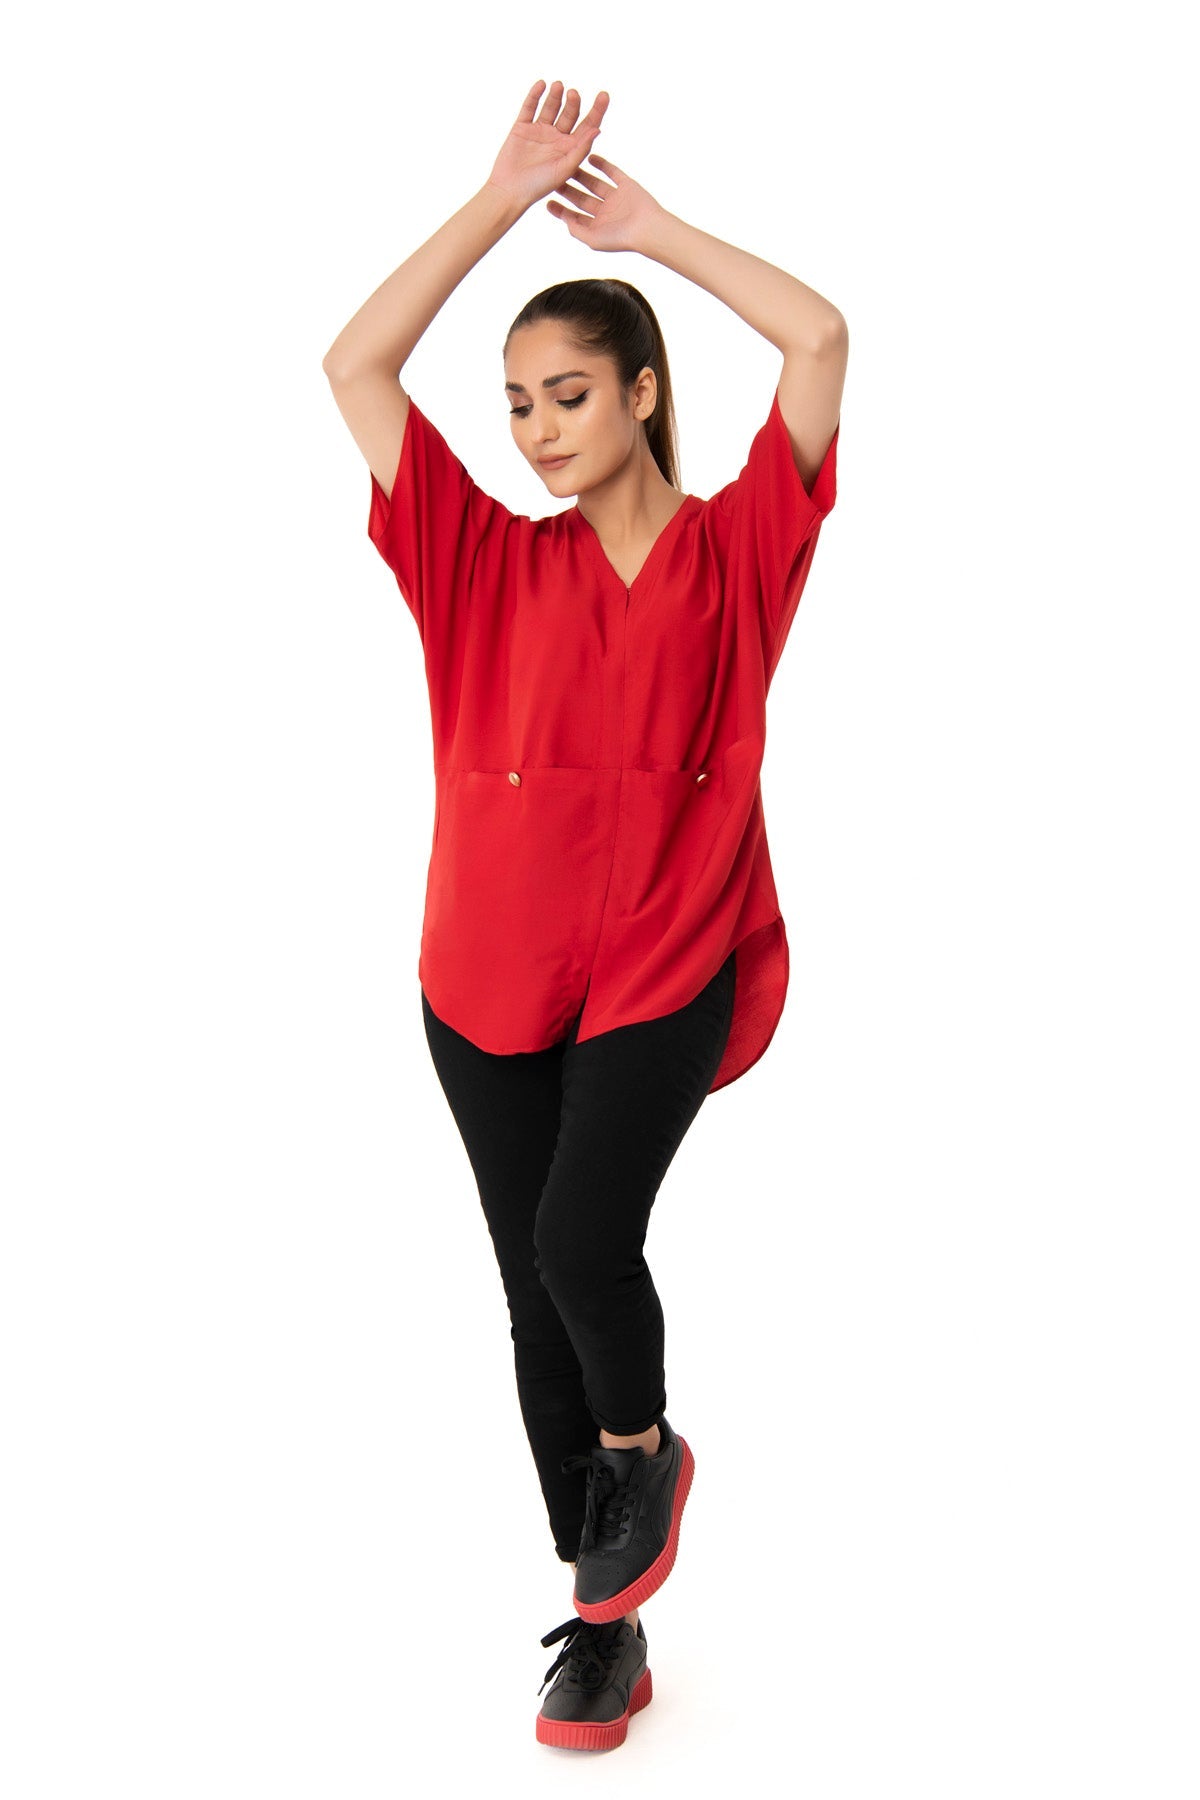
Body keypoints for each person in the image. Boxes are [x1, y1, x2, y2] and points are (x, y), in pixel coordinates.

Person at [323, 77, 848, 1752]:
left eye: (567, 394)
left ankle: (646, 1459)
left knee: (579, 1243)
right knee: (533, 1295)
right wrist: (496, 202)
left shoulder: (740, 551)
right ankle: (604, 1625)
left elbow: (821, 338)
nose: (537, 428)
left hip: (666, 966)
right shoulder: (476, 556)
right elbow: (355, 367)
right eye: (516, 403)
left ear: (640, 393)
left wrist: (651, 234)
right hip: (482, 976)